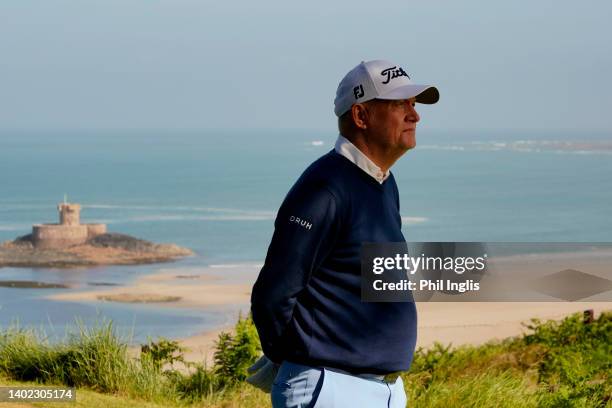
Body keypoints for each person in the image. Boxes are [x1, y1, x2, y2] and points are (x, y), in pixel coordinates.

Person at [250, 59, 439, 407]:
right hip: (331, 388)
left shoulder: (383, 182)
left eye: (413, 104)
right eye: (400, 104)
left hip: (380, 389)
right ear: (361, 116)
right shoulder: (325, 189)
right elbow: (272, 295)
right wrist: (295, 359)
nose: (415, 115)